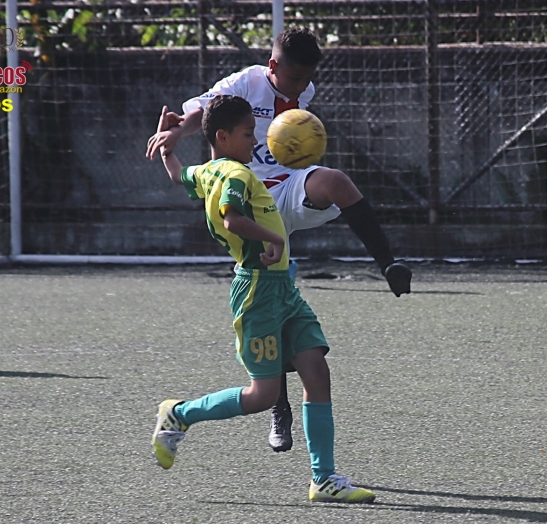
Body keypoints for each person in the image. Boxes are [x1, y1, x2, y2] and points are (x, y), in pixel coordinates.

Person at [146, 26, 411, 454]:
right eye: (294, 78)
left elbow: (183, 173)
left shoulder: (302, 95)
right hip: (254, 203)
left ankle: (388, 262)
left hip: (285, 188)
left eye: (307, 79)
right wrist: (176, 136)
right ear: (273, 67)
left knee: (336, 182)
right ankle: (276, 407)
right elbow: (205, 112)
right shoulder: (244, 87)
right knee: (275, 299)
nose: (302, 87)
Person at [152, 94, 376, 504]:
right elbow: (231, 218)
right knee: (264, 396)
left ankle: (323, 478)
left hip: (281, 289)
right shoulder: (236, 175)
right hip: (257, 290)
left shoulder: (209, 170)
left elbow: (179, 176)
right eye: (247, 133)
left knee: (316, 371)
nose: (255, 141)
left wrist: (169, 146)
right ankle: (178, 414)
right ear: (223, 136)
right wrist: (276, 237)